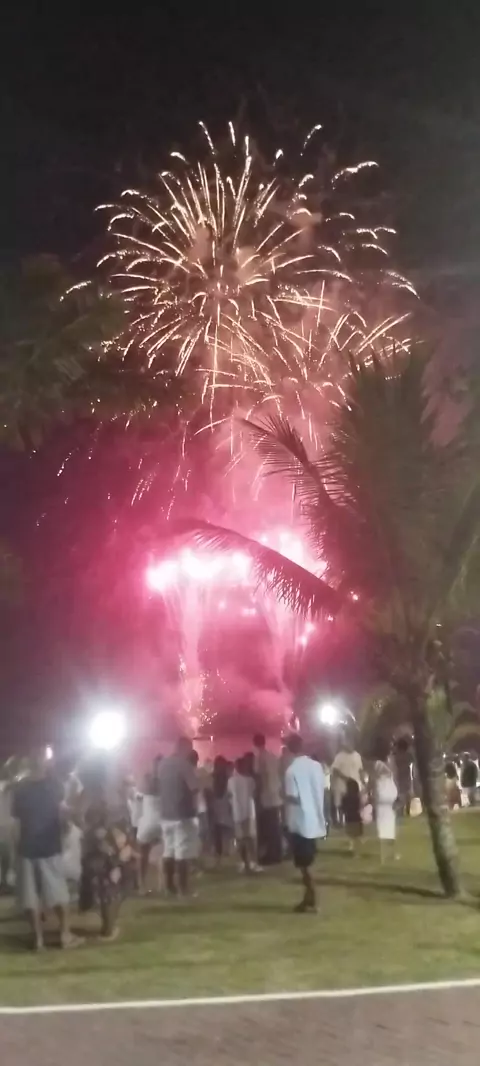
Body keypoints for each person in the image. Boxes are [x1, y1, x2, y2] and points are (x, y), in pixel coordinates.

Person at [12, 747, 81, 951]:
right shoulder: (54, 785)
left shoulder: (20, 788)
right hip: (49, 846)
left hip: (26, 847)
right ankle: (65, 935)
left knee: (30, 897)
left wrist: (17, 848)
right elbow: (62, 814)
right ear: (45, 762)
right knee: (59, 893)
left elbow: (17, 823)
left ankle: (38, 939)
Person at [79, 766, 137, 941]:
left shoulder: (91, 793)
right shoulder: (97, 794)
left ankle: (108, 926)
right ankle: (108, 929)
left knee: (113, 885)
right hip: (108, 845)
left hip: (109, 844)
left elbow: (79, 818)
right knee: (111, 886)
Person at [284, 733, 325, 913]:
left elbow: (293, 797)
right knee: (307, 862)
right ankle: (308, 899)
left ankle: (313, 898)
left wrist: (282, 796)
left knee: (304, 865)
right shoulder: (316, 766)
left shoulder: (291, 771)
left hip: (299, 822)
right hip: (314, 819)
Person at [156, 737, 199, 898]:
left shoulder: (162, 765)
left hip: (165, 813)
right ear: (185, 748)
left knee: (168, 851)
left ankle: (169, 887)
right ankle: (183, 889)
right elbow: (194, 788)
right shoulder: (184, 765)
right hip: (182, 814)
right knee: (182, 853)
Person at [253, 733, 283, 865]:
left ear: (255, 743)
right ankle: (277, 852)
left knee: (269, 827)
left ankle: (271, 854)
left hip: (266, 795)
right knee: (275, 826)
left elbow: (259, 777)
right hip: (275, 794)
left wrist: (257, 794)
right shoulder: (272, 756)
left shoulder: (259, 758)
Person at [228, 756, 260, 873]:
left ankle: (245, 863)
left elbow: (229, 795)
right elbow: (255, 794)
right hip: (249, 812)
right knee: (250, 839)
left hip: (237, 813)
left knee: (240, 839)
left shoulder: (231, 781)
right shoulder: (250, 780)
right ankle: (254, 862)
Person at [136, 757, 163, 894]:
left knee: (143, 855)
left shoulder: (146, 781)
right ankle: (162, 884)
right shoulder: (166, 781)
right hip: (162, 822)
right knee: (163, 855)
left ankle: (142, 885)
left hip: (147, 822)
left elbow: (138, 798)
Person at [331, 736, 364, 835]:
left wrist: (363, 781)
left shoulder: (357, 756)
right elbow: (335, 770)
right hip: (342, 786)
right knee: (342, 805)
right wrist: (346, 779)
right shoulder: (339, 756)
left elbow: (360, 770)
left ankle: (353, 825)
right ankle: (341, 822)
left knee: (354, 806)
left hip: (355, 786)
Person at [373, 743, 399, 863]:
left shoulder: (386, 763)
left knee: (389, 829)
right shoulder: (379, 764)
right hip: (383, 800)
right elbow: (383, 775)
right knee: (384, 829)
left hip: (388, 801)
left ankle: (390, 854)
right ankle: (384, 855)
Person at [211, 755, 233, 862]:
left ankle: (218, 851)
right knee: (226, 830)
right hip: (225, 804)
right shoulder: (227, 778)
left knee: (217, 830)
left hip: (215, 805)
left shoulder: (212, 777)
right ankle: (226, 850)